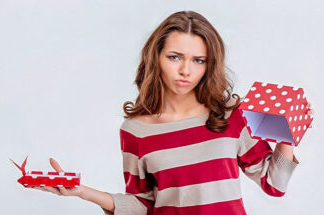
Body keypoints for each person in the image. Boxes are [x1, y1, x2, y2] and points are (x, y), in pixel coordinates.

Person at [32, 10, 314, 214]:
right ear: (156, 58)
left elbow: (274, 185)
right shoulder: (136, 131)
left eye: (198, 60)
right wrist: (83, 192)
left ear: (209, 65)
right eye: (175, 57)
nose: (185, 70)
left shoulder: (231, 117)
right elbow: (143, 204)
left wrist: (285, 133)